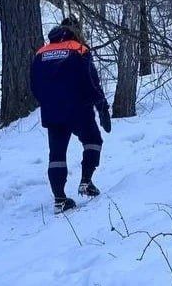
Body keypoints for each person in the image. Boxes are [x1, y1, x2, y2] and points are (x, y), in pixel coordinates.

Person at [30, 17, 111, 214]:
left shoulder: (41, 53)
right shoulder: (79, 49)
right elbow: (91, 80)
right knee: (93, 140)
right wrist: (102, 106)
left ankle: (59, 199)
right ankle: (86, 181)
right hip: (78, 107)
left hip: (52, 109)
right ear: (76, 30)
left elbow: (34, 85)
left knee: (56, 154)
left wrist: (47, 102)